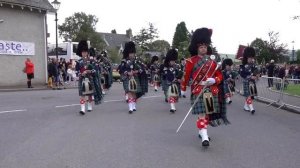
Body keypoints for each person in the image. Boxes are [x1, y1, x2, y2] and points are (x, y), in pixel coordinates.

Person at [181, 28, 225, 147]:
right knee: (201, 113)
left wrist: (214, 80)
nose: (203, 49)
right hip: (198, 89)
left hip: (210, 90)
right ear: (196, 48)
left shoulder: (212, 61)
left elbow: (220, 75)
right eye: (201, 47)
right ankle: (205, 136)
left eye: (205, 46)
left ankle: (201, 130)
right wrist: (183, 89)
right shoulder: (191, 61)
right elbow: (186, 76)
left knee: (206, 114)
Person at [75, 40, 102, 115]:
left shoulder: (91, 61)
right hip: (82, 79)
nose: (84, 53)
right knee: (82, 94)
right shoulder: (78, 61)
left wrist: (89, 71)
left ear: (87, 52)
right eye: (83, 52)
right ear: (81, 52)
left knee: (90, 94)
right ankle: (82, 109)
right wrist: (80, 73)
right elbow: (76, 71)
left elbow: (95, 70)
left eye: (85, 52)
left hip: (90, 78)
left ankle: (89, 105)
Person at [119, 41, 147, 114]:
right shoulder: (124, 61)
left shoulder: (136, 61)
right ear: (127, 53)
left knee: (134, 93)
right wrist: (127, 72)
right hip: (127, 78)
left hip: (135, 78)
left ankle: (133, 105)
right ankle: (130, 107)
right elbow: (121, 69)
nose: (132, 55)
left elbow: (142, 68)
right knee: (129, 92)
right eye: (130, 53)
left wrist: (136, 71)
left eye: (133, 53)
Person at [239, 46, 259, 114]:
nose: (251, 59)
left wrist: (257, 75)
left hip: (252, 82)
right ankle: (251, 108)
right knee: (247, 95)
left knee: (252, 96)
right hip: (246, 82)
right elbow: (242, 74)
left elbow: (257, 71)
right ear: (246, 57)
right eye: (250, 58)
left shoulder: (253, 65)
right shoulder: (242, 66)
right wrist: (250, 76)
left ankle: (245, 106)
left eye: (252, 57)